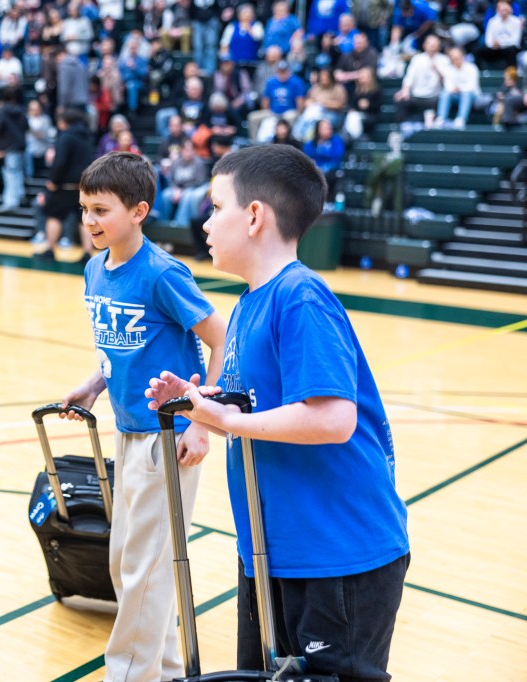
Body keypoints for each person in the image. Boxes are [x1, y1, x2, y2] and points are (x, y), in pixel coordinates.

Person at [145, 144, 409, 682]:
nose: (207, 222)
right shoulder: (248, 303)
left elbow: (333, 418)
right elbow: (258, 402)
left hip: (338, 556)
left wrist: (230, 422)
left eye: (216, 207)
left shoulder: (301, 296)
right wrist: (204, 404)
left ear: (256, 215)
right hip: (271, 552)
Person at [60, 151, 227, 682]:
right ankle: (169, 671)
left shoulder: (161, 273)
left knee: (144, 571)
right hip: (128, 433)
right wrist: (91, 386)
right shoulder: (94, 268)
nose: (89, 221)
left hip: (170, 435)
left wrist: (203, 423)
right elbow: (120, 349)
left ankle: (128, 675)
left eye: (101, 210)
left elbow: (224, 341)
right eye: (85, 208)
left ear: (139, 211)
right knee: (130, 566)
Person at [34, 108, 96, 263]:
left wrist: (53, 181)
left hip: (64, 186)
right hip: (83, 186)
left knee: (54, 216)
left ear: (66, 122)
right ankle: (87, 253)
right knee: (84, 220)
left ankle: (50, 249)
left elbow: (60, 162)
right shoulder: (88, 137)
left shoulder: (66, 137)